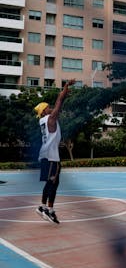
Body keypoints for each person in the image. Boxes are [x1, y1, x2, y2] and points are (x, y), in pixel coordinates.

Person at [34, 79, 75, 224]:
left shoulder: (43, 121)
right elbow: (59, 101)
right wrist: (66, 87)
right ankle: (44, 207)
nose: (50, 108)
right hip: (51, 156)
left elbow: (58, 104)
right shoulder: (50, 119)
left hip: (45, 154)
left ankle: (48, 209)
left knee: (53, 182)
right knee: (52, 182)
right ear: (44, 111)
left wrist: (64, 93)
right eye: (48, 107)